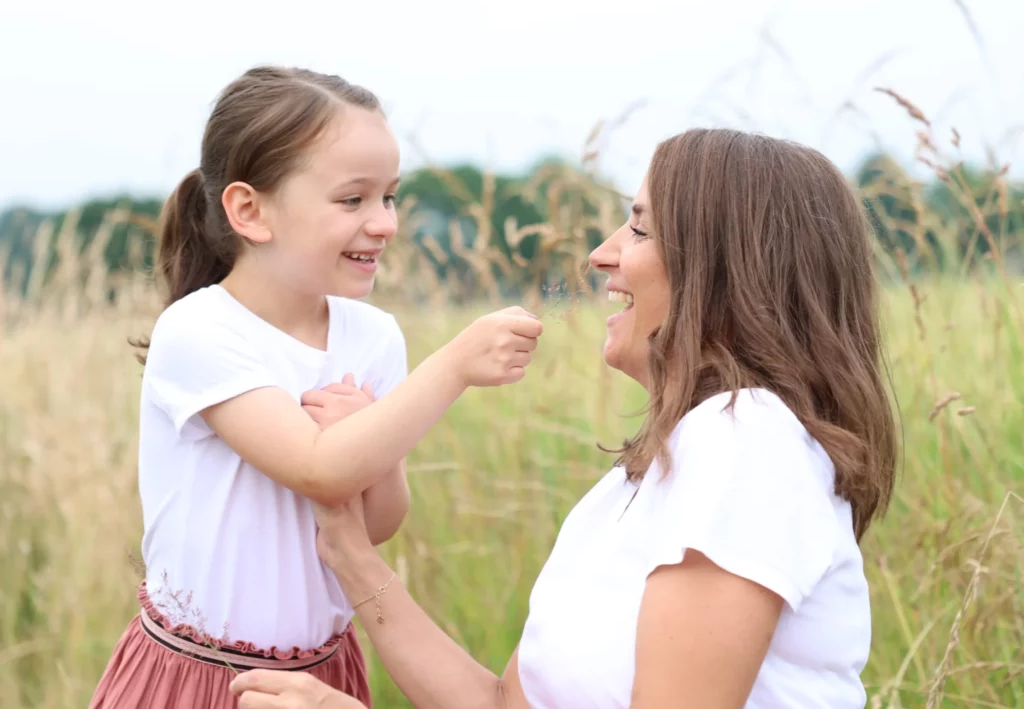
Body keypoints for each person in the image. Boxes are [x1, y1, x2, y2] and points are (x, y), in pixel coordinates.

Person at [229, 128, 899, 709]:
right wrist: (347, 547)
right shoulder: (640, 481)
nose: (601, 254)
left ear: (722, 268)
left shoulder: (748, 440)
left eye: (638, 228)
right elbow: (502, 703)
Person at [88, 66, 544, 709]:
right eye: (352, 200)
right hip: (199, 675)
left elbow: (378, 522)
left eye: (389, 197)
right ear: (250, 210)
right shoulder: (199, 330)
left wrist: (371, 443)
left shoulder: (373, 336)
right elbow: (319, 469)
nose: (384, 223)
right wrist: (454, 366)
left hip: (320, 678)